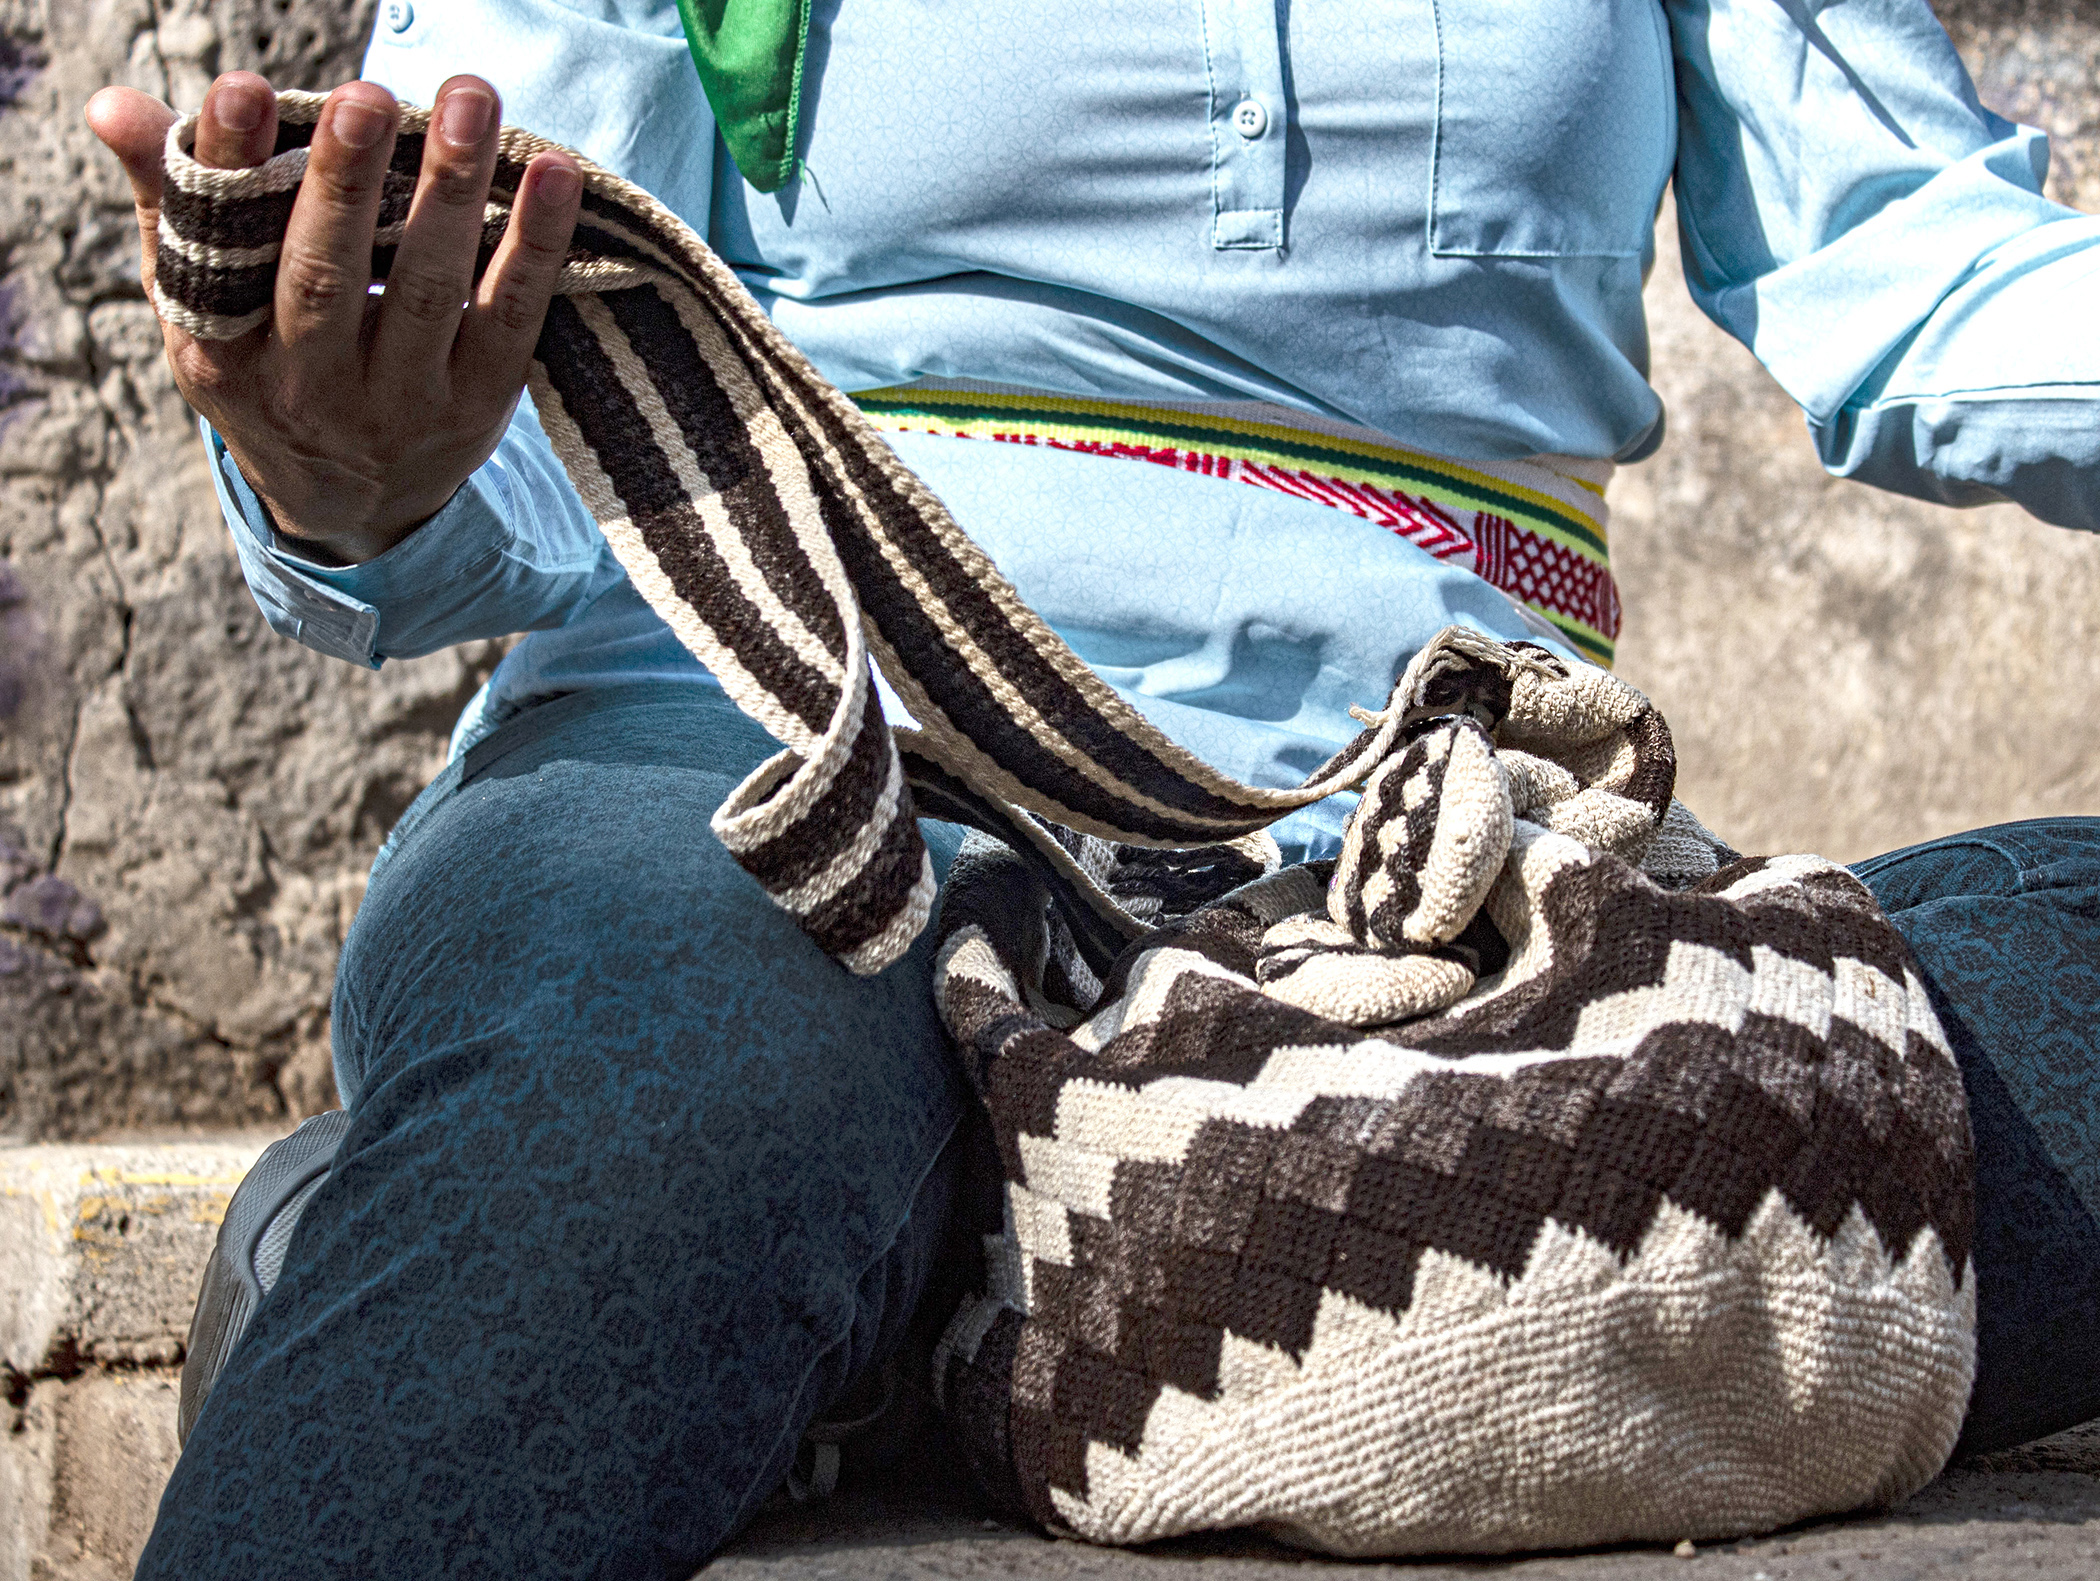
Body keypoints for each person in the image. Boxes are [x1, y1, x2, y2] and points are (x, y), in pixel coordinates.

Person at [86, 1, 2100, 1575]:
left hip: (1421, 866)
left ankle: (881, 1299)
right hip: (777, 768)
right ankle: (788, 1222)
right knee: (666, 1083)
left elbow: (1916, 265)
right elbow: (483, 406)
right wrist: (353, 473)